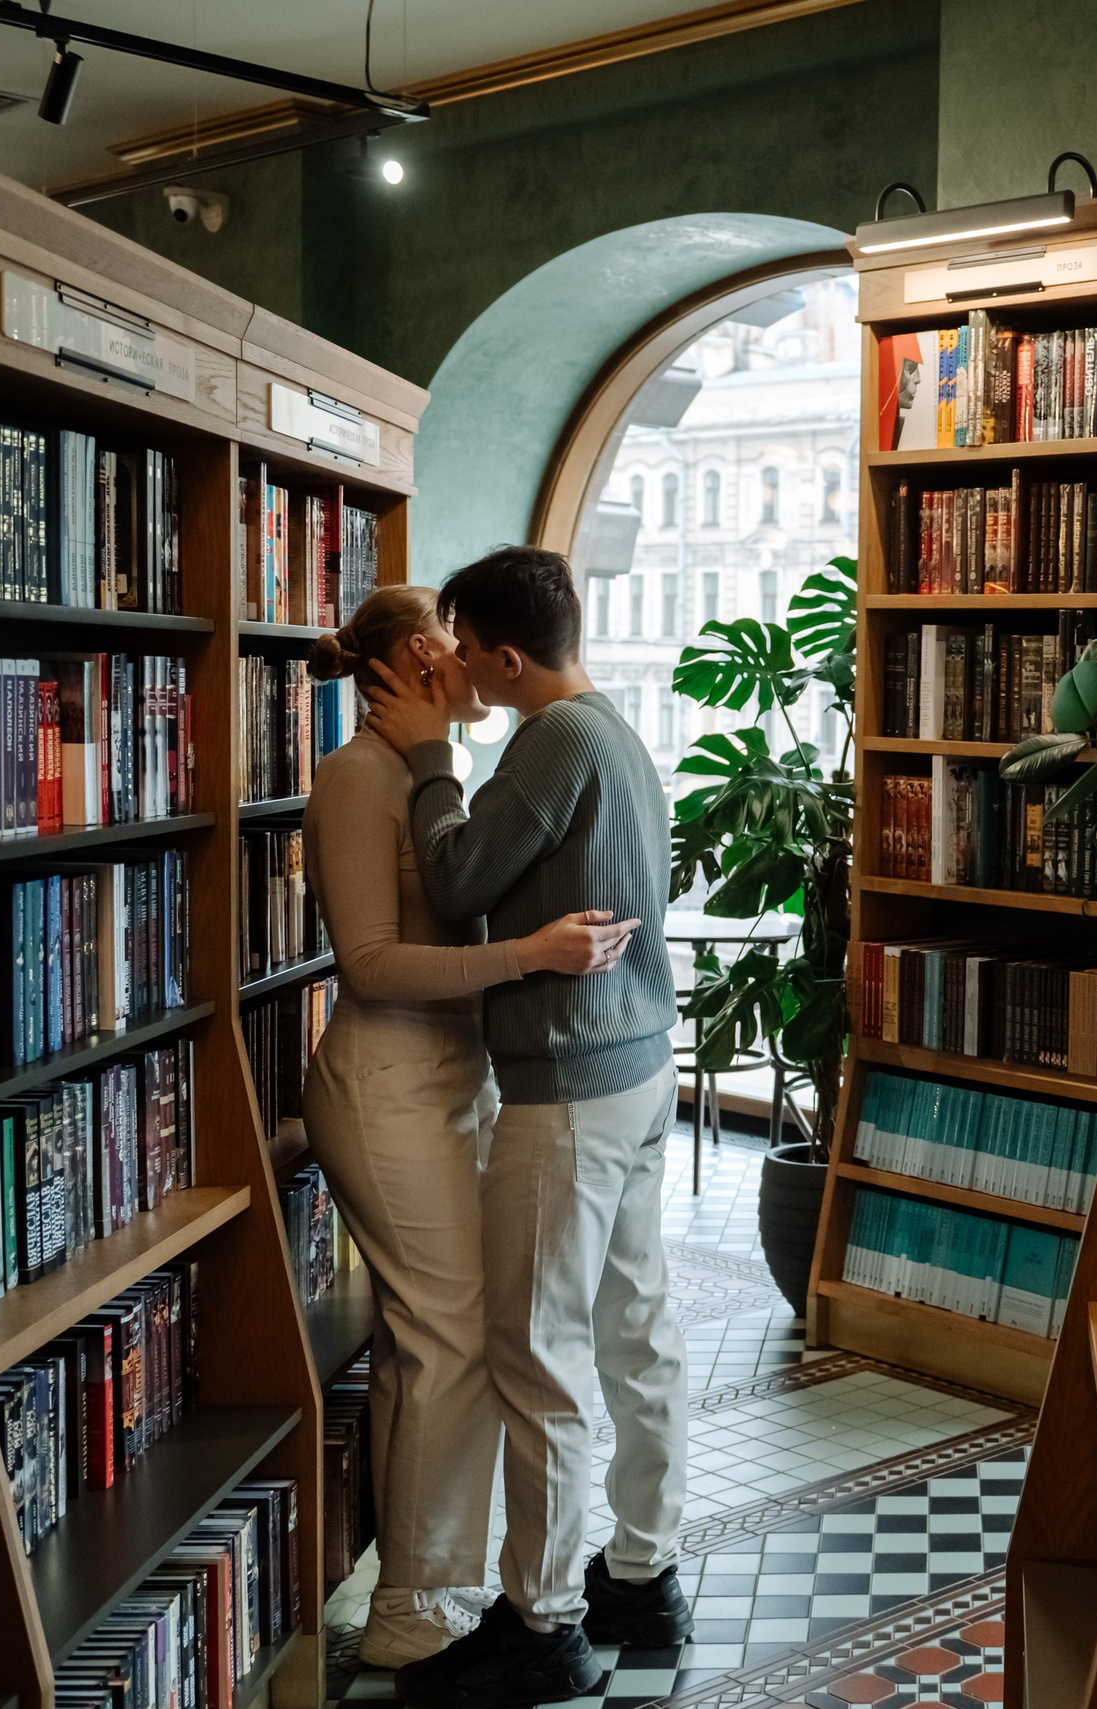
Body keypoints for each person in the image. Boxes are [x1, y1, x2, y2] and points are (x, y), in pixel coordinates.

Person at [360, 547, 692, 1708]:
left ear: (507, 656)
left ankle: (543, 1620)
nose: (452, 663)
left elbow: (454, 879)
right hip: (640, 1065)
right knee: (635, 1333)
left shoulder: (550, 739)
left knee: (538, 1356)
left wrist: (427, 757)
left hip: (569, 1086)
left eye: (465, 647)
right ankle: (643, 1572)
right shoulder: (614, 724)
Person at [298, 585, 634, 1670]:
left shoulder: (440, 773)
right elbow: (372, 965)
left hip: (459, 1075)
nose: (477, 666)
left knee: (436, 1342)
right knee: (447, 1338)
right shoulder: (356, 778)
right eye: (451, 649)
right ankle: (417, 1613)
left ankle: (428, 1579)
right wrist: (529, 955)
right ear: (410, 662)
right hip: (385, 1084)